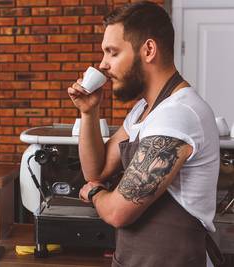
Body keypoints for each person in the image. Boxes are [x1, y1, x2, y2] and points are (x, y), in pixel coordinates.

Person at [67, 1, 223, 267]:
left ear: (148, 50)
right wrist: (89, 113)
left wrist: (94, 194)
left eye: (112, 52)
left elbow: (118, 212)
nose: (103, 64)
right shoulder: (144, 109)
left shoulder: (178, 114)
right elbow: (97, 170)